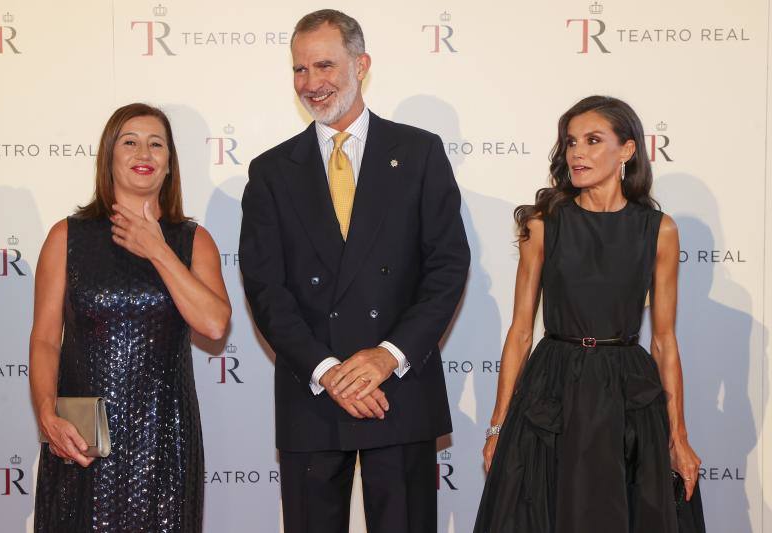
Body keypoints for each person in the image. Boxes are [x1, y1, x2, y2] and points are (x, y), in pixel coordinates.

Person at [239, 9, 469, 533]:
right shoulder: (271, 172)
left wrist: (386, 357)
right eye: (300, 70)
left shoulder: (418, 152)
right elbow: (265, 288)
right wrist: (328, 371)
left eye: (324, 66)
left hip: (399, 392)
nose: (311, 83)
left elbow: (448, 267)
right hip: (313, 394)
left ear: (360, 64)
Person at [474, 95, 705, 532]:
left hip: (626, 390)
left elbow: (664, 341)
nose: (576, 152)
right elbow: (521, 332)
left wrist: (678, 437)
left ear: (628, 150)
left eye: (593, 140)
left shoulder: (659, 230)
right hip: (554, 386)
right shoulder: (544, 225)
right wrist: (497, 426)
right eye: (571, 142)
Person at [30, 103, 231, 532]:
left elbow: (214, 325)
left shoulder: (193, 241)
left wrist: (157, 249)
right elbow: (46, 339)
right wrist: (47, 413)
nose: (144, 152)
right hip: (82, 442)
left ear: (169, 165)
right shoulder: (67, 237)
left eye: (156, 144)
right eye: (130, 142)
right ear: (109, 157)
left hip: (165, 444)